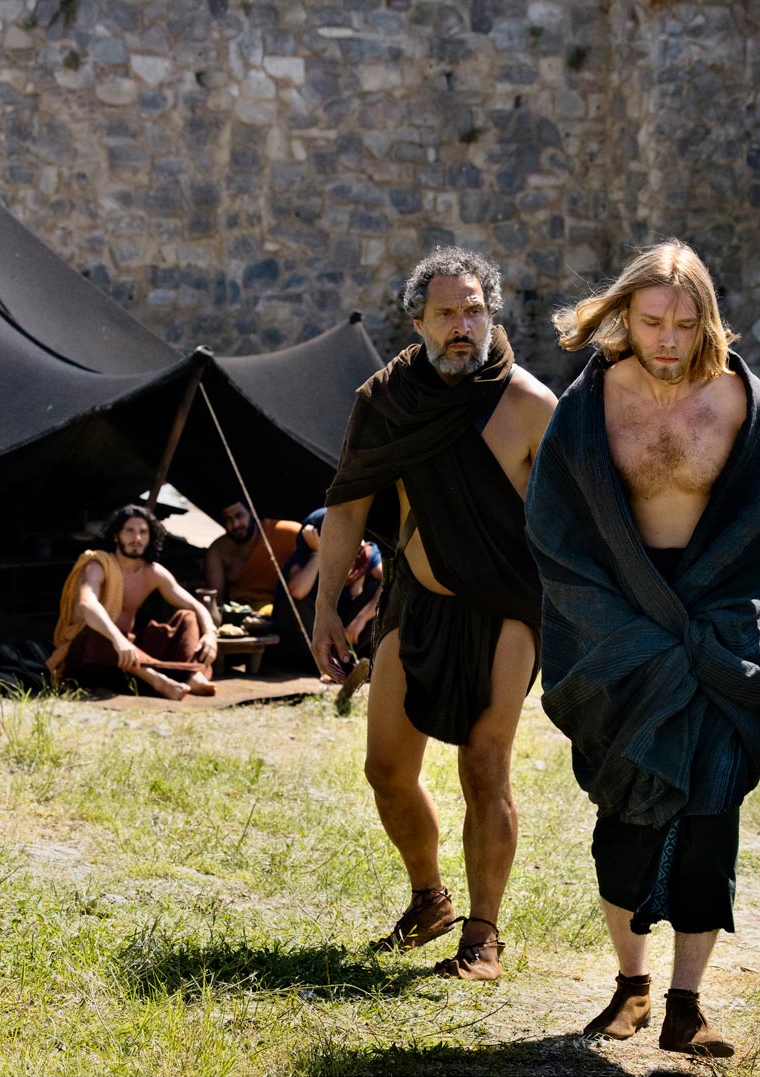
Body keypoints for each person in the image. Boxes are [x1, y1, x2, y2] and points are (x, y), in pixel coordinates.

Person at [528, 240, 760, 1059]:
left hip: (719, 623)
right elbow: (557, 528)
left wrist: (722, 626)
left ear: (706, 319)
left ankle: (687, 1003)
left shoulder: (741, 401)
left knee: (711, 817)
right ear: (625, 314)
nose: (669, 340)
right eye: (652, 321)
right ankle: (631, 984)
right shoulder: (590, 406)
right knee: (626, 813)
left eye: (685, 324)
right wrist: (618, 630)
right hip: (620, 625)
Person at [312, 246, 556, 981]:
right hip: (415, 602)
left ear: (492, 315)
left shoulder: (530, 405)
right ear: (417, 322)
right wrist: (326, 606)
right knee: (386, 768)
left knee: (484, 765)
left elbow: (576, 523)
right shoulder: (389, 402)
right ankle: (429, 899)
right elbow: (348, 504)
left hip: (507, 609)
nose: (462, 325)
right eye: (446, 312)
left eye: (474, 310)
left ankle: (483, 935)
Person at [47, 505, 219, 701]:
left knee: (186, 618)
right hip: (94, 655)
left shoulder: (153, 572)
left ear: (150, 538)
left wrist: (210, 633)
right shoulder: (97, 566)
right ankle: (158, 680)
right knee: (98, 632)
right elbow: (87, 604)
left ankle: (192, 675)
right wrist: (116, 639)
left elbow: (195, 606)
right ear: (116, 536)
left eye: (143, 532)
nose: (136, 538)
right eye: (129, 531)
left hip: (129, 650)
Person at [277, 507, 383, 669]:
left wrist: (362, 618)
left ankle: (345, 659)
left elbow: (388, 582)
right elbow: (298, 592)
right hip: (312, 629)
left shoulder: (363, 552)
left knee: (380, 592)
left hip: (345, 628)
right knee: (295, 602)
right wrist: (319, 553)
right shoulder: (304, 557)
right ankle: (324, 662)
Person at [203, 499, 302, 608]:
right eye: (228, 519)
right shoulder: (218, 550)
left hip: (285, 609)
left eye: (239, 516)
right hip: (242, 612)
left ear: (252, 513)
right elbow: (215, 599)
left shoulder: (290, 533)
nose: (235, 524)